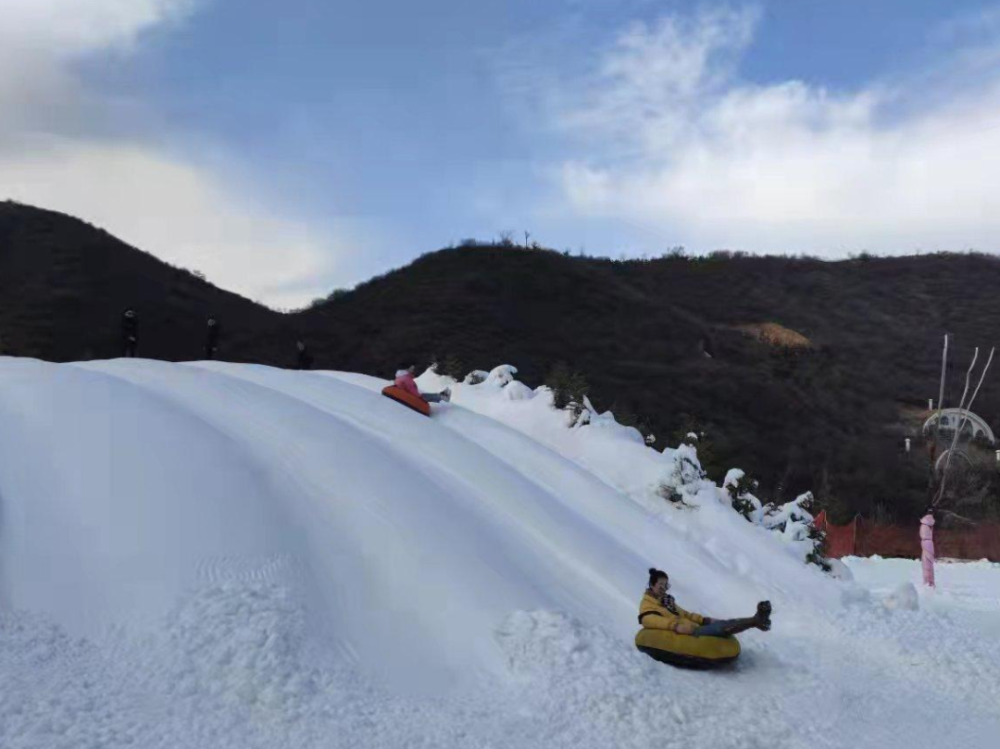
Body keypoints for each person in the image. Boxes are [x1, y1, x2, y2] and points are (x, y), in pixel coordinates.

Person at [639, 568, 771, 638]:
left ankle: (756, 620)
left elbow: (686, 615)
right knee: (721, 628)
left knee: (723, 623)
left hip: (692, 626)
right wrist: (676, 626)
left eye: (666, 584)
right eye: (661, 584)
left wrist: (704, 620)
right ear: (652, 584)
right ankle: (756, 621)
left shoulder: (667, 601)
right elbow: (649, 620)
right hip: (688, 632)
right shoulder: (647, 603)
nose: (664, 588)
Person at [920, 508, 936, 588]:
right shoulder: (930, 523)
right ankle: (930, 581)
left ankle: (927, 582)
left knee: (926, 563)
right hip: (929, 543)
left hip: (925, 543)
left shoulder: (924, 523)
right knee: (929, 563)